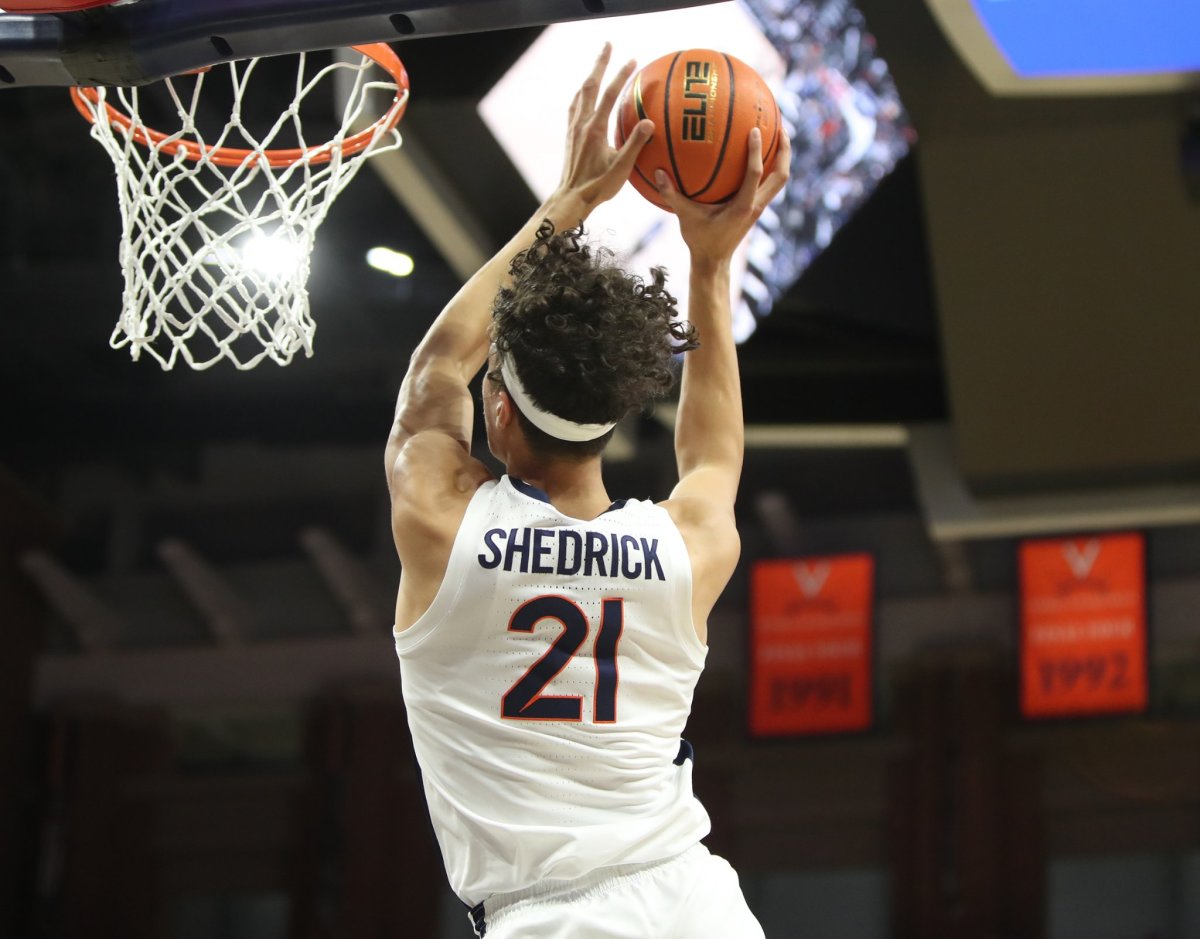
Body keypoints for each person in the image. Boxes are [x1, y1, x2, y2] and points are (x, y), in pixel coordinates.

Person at [386, 43, 790, 939]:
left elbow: (435, 368)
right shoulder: (683, 551)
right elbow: (713, 453)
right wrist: (710, 265)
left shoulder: (442, 521)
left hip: (549, 922)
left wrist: (568, 202)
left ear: (498, 410)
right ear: (614, 413)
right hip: (696, 906)